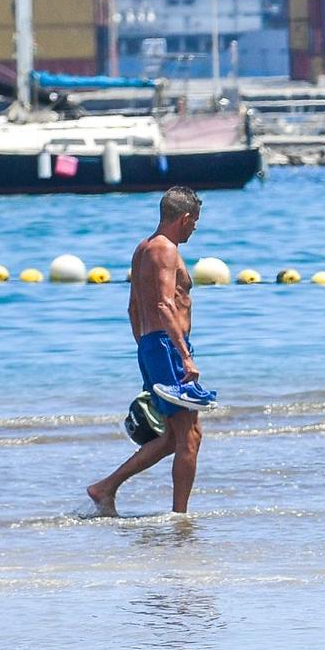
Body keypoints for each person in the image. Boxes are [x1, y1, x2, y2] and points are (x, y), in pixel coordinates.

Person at [86, 187, 216, 517]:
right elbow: (164, 303)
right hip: (167, 346)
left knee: (180, 437)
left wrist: (146, 351)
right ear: (185, 218)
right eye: (195, 221)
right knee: (188, 439)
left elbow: (132, 308)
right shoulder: (166, 250)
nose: (195, 228)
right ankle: (180, 517)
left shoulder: (143, 249)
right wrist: (183, 355)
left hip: (151, 345)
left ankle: (106, 488)